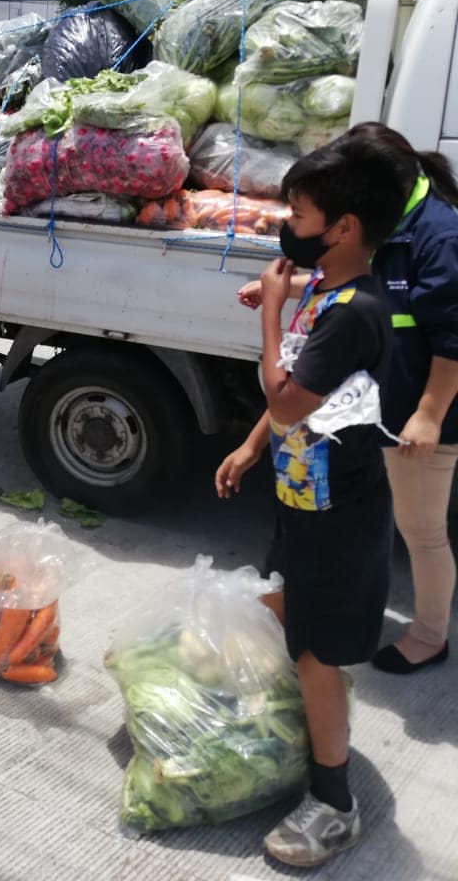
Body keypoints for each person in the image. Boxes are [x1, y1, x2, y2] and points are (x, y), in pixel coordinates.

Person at [215, 136, 406, 868]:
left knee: (322, 655)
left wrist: (268, 312)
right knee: (293, 624)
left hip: (340, 515)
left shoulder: (354, 311)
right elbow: (302, 394)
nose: (287, 223)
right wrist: (252, 447)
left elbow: (288, 398)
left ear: (346, 225)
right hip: (304, 498)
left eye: (298, 211)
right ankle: (303, 723)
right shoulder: (327, 290)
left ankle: (333, 803)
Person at [345, 122, 458, 674]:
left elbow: (454, 339)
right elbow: (367, 284)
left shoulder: (438, 235)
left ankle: (432, 637)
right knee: (387, 517)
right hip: (390, 403)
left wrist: (429, 416)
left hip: (425, 413)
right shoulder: (396, 221)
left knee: (423, 531)